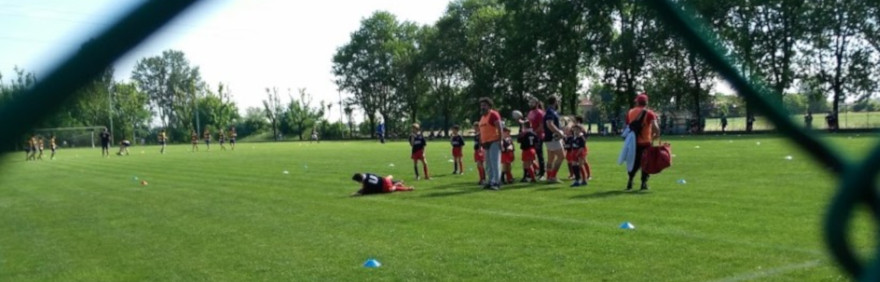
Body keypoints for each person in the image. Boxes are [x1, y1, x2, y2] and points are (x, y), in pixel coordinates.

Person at [625, 93, 660, 191]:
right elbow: (656, 128)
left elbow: (628, 126)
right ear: (646, 102)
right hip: (645, 142)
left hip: (633, 143)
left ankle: (630, 180)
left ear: (637, 102)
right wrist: (656, 140)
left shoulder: (630, 112)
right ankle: (643, 183)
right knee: (646, 163)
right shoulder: (649, 113)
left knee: (633, 162)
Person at [478, 97, 503, 190]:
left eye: (484, 105)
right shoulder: (482, 117)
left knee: (495, 163)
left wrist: (500, 140)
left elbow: (500, 128)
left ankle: (496, 182)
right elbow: (482, 131)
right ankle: (490, 181)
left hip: (494, 141)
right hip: (485, 143)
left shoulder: (493, 114)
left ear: (489, 106)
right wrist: (481, 143)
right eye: (481, 105)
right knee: (488, 164)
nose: (482, 107)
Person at [519, 96, 545, 179]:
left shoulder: (540, 113)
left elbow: (541, 126)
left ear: (537, 103)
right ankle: (529, 173)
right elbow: (527, 123)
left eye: (533, 102)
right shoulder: (530, 112)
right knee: (529, 156)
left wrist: (533, 132)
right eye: (530, 102)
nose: (531, 103)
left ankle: (542, 174)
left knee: (539, 155)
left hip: (538, 136)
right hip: (529, 136)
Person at [543, 96, 567, 183]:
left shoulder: (550, 111)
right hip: (553, 138)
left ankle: (549, 177)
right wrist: (559, 132)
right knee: (561, 156)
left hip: (549, 138)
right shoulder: (551, 111)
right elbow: (549, 124)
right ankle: (553, 176)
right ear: (555, 102)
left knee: (551, 158)